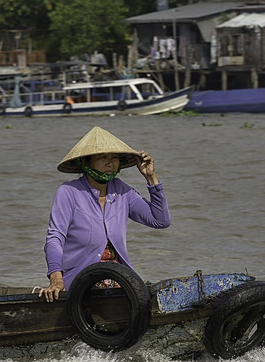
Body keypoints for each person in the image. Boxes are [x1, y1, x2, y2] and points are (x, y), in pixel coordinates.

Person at [38, 126, 170, 302]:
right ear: (86, 162)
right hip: (80, 281)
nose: (110, 163)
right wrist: (56, 277)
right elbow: (55, 238)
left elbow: (160, 220)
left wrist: (151, 178)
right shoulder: (69, 191)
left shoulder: (122, 191)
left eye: (115, 158)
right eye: (102, 157)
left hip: (119, 278)